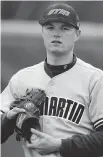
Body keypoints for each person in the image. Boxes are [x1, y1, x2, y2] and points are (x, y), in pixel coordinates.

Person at [1, 3, 103, 157]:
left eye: (65, 28)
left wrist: (60, 145)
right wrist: (8, 120)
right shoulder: (22, 79)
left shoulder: (95, 79)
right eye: (50, 27)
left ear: (77, 34)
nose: (56, 33)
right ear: (42, 32)